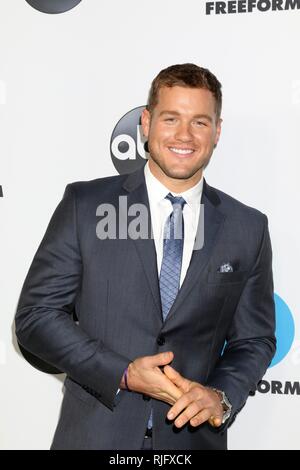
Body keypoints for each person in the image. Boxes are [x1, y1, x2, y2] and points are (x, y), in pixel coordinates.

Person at [15, 63, 276, 450]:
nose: (184, 135)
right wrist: (122, 373)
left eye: (200, 122)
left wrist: (219, 396)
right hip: (93, 437)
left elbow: (254, 340)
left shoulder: (247, 227)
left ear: (217, 131)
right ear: (146, 122)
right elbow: (36, 317)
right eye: (171, 118)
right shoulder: (85, 206)